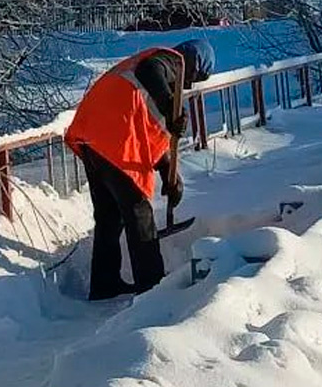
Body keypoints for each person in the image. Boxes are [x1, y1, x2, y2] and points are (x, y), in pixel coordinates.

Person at [65, 38, 215, 300]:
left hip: (93, 136)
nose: (191, 84)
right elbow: (150, 70)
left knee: (109, 218)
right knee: (139, 214)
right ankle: (153, 289)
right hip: (113, 139)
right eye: (196, 77)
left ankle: (105, 284)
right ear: (194, 65)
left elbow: (147, 130)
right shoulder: (171, 60)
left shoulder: (150, 80)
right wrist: (171, 107)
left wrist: (169, 172)